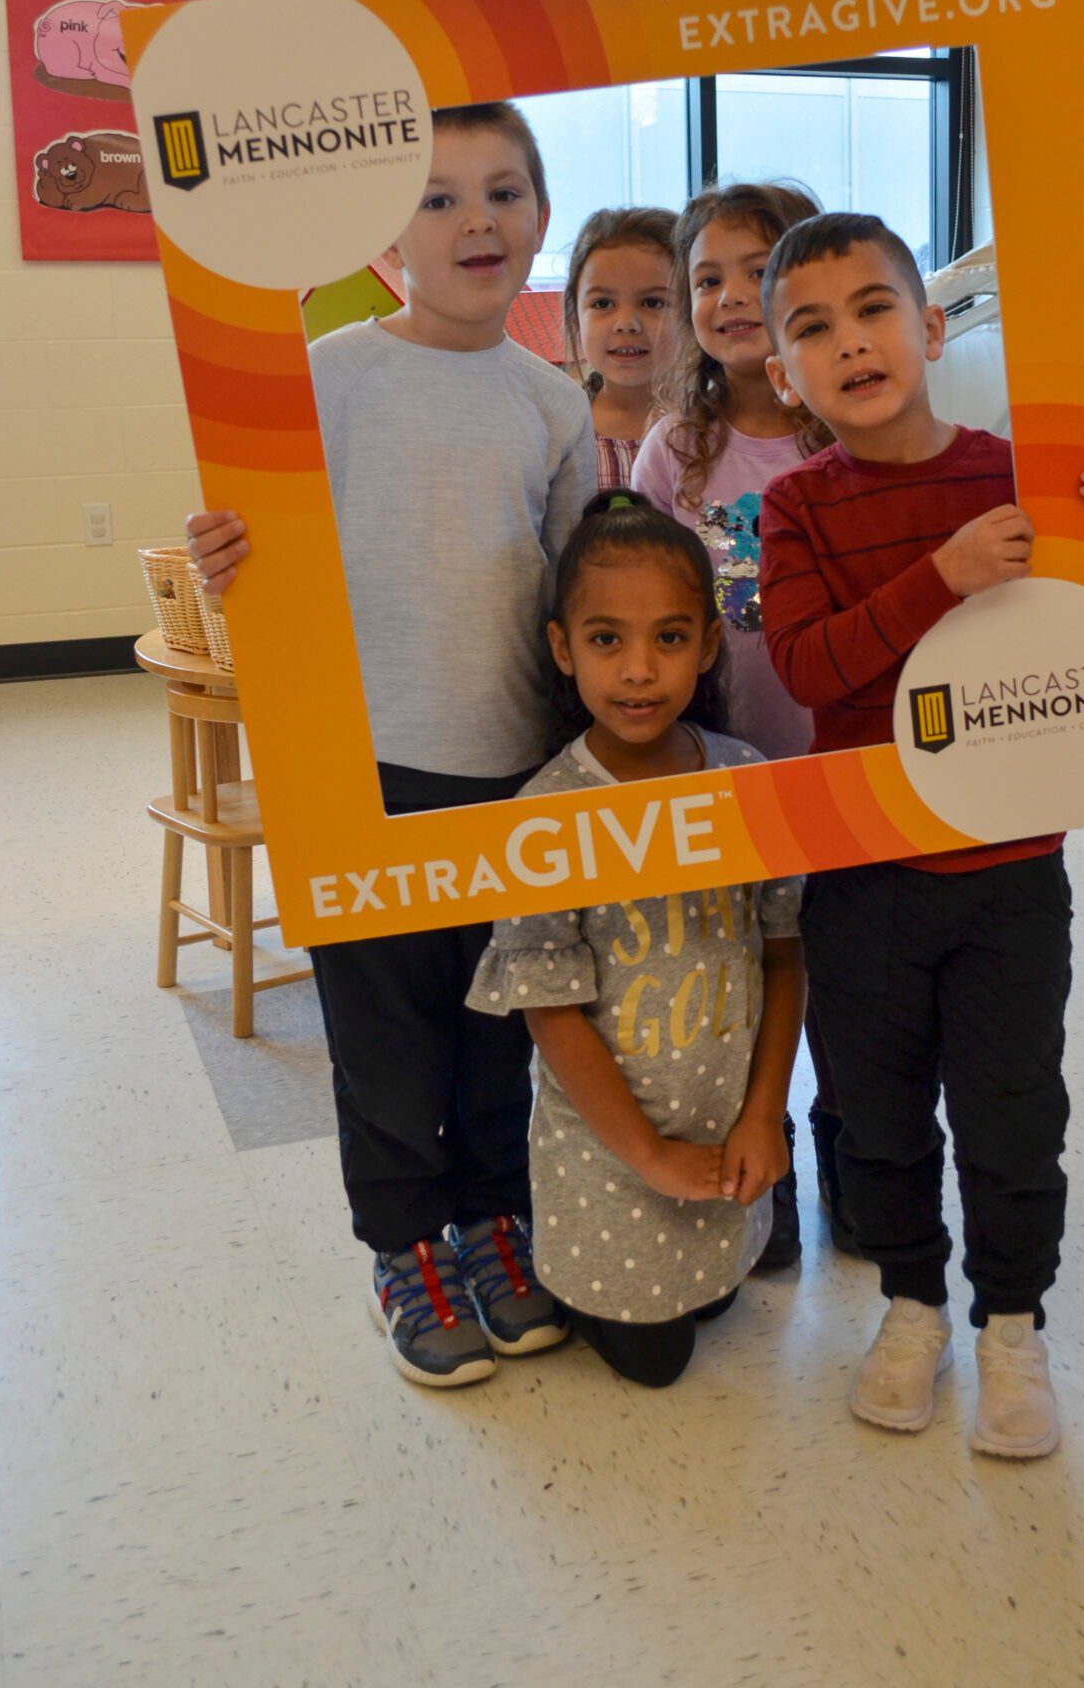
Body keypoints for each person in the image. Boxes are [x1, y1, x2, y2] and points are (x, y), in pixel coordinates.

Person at [185, 103, 596, 1388]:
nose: (476, 218)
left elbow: (579, 593)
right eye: (436, 197)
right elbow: (254, 553)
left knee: (496, 1025)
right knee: (382, 1031)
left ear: (539, 216)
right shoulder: (329, 375)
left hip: (514, 766)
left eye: (504, 191)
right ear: (383, 241)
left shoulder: (553, 401)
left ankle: (490, 1222)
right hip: (360, 766)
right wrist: (222, 562)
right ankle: (403, 1245)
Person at [757, 210, 1084, 1459]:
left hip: (1009, 870)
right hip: (862, 871)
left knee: (1011, 1110)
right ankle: (910, 1305)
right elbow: (806, 662)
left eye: (875, 308)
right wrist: (937, 575)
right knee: (877, 1114)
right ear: (784, 373)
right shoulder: (796, 506)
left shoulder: (1018, 474)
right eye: (812, 328)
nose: (852, 341)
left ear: (931, 326)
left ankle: (1011, 1323)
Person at [467, 490, 805, 1387]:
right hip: (611, 1158)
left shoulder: (745, 779)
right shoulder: (544, 816)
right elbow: (551, 1016)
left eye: (668, 638)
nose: (639, 671)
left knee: (720, 1299)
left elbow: (783, 954)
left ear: (705, 644)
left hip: (723, 1128)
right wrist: (650, 1157)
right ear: (562, 649)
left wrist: (766, 1115)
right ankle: (578, 1277)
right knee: (656, 1363)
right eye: (608, 639)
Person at [632, 179, 848, 1268]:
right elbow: (645, 608)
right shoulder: (676, 449)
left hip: (842, 758)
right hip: (724, 766)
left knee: (845, 974)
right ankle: (758, 1179)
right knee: (740, 976)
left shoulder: (849, 426)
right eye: (704, 276)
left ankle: (854, 1156)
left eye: (753, 270)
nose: (726, 296)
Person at [562, 205, 676, 491]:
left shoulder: (720, 432)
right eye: (602, 303)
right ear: (575, 316)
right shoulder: (557, 433)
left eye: (653, 302)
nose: (626, 324)